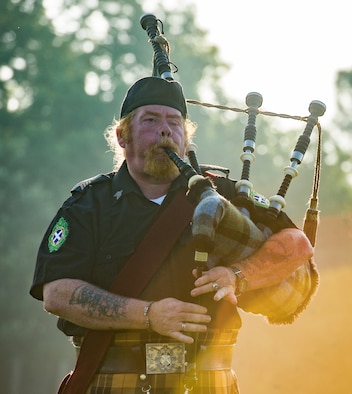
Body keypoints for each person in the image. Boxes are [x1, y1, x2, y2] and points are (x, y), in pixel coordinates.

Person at [30, 77, 318, 393]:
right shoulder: (89, 204)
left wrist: (238, 275)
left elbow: (297, 245)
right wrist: (148, 315)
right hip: (113, 382)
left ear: (185, 137)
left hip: (208, 384)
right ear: (122, 136)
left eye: (174, 122)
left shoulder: (223, 195)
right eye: (151, 120)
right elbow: (57, 293)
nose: (165, 130)